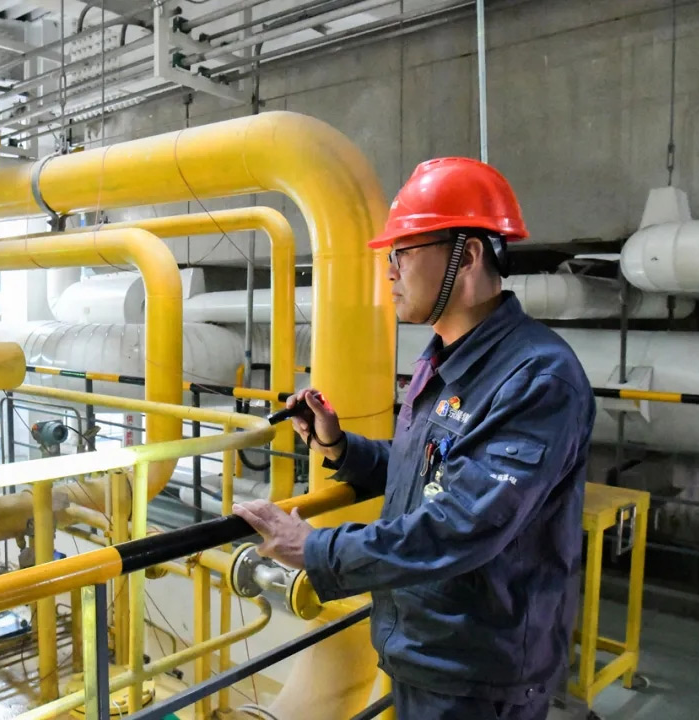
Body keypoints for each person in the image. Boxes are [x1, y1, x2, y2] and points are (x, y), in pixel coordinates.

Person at [233, 157, 595, 720]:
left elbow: (464, 523)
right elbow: (428, 469)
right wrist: (341, 447)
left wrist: (315, 549)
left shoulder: (536, 378)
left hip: (479, 674)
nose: (390, 272)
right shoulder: (442, 358)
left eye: (402, 252)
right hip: (425, 647)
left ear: (466, 256)